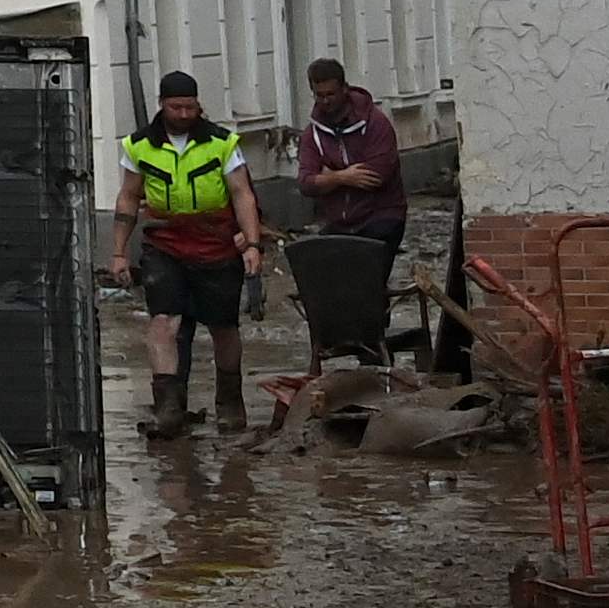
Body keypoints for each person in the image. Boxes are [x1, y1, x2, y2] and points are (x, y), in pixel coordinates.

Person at [113, 70, 266, 438]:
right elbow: (129, 197)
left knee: (223, 325)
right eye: (176, 107)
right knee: (163, 320)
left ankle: (229, 402)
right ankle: (168, 406)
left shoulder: (222, 143)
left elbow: (242, 193)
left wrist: (252, 243)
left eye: (190, 107)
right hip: (165, 243)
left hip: (215, 243)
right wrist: (118, 252)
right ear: (162, 105)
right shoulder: (139, 145)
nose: (184, 114)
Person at [294, 58, 409, 246]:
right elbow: (306, 183)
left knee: (368, 260)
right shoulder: (312, 134)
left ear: (344, 89)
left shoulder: (375, 123)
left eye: (330, 94)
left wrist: (327, 176)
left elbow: (377, 175)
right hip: (339, 222)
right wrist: (342, 177)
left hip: (382, 216)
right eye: (319, 95)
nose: (325, 101)